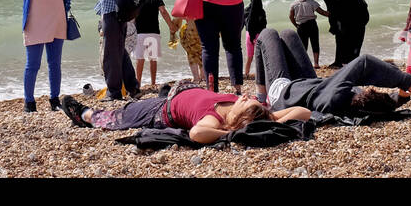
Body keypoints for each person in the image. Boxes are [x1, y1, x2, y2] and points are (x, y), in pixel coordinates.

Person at [253, 27, 411, 115]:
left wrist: (406, 80)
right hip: (312, 86)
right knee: (289, 34)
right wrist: (401, 97)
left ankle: (262, 97)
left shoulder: (337, 95)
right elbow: (384, 105)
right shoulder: (355, 100)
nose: (365, 89)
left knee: (268, 34)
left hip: (283, 95)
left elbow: (364, 62)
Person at [61, 85, 310, 144]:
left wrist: (231, 132)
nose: (246, 96)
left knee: (119, 117)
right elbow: (304, 112)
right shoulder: (252, 112)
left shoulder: (215, 121)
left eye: (246, 102)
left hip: (161, 112)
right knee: (137, 105)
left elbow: (197, 133)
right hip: (179, 93)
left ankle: (85, 114)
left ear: (240, 119)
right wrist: (274, 117)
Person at [17, 0, 93, 112]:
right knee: (33, 65)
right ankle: (29, 103)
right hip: (35, 22)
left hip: (57, 19)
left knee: (54, 62)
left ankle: (54, 100)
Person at [311, 0, 368, 68]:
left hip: (349, 12)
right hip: (362, 10)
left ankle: (340, 62)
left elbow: (331, 11)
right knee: (357, 37)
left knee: (340, 36)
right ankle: (354, 62)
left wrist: (333, 27)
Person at [132, 0, 175, 89]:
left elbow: (132, 16)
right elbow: (163, 12)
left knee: (140, 59)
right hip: (153, 33)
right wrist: (171, 26)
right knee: (153, 59)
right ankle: (153, 83)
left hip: (140, 33)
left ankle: (138, 83)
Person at [170, 0, 204, 82]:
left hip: (190, 28)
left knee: (191, 54)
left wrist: (173, 29)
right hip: (201, 27)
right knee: (201, 52)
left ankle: (196, 78)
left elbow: (180, 14)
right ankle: (203, 76)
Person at [288, 0, 326, 68]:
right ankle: (316, 63)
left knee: (303, 46)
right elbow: (322, 12)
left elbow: (291, 16)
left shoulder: (294, 4)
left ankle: (304, 63)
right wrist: (330, 14)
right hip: (312, 25)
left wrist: (296, 25)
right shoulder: (312, 2)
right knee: (315, 43)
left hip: (301, 26)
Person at [242, 0, 267, 81]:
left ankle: (246, 74)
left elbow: (243, 23)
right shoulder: (261, 11)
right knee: (259, 57)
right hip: (259, 36)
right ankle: (261, 74)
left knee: (249, 57)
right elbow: (264, 25)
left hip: (249, 35)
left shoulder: (246, 10)